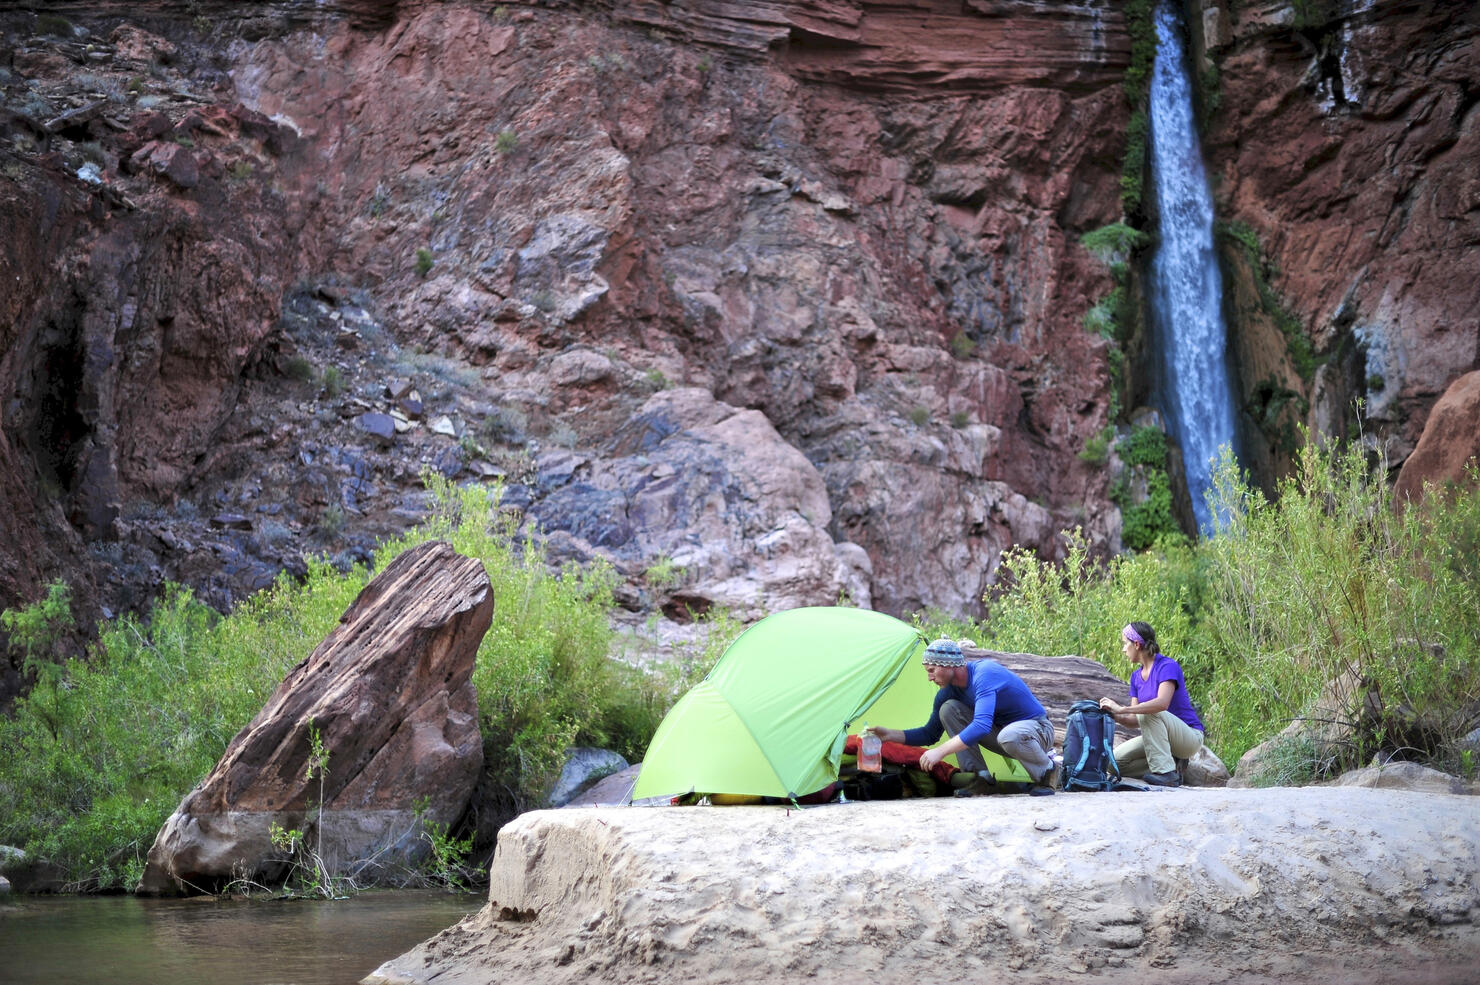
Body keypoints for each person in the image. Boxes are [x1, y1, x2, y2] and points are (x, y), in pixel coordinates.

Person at [869, 638, 1058, 796]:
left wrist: (940, 752)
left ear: (948, 665)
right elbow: (930, 734)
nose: (929, 677)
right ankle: (979, 778)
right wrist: (889, 735)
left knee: (1008, 735)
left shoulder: (984, 674)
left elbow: (982, 726)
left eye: (931, 670)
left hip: (1037, 731)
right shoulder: (948, 692)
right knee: (949, 709)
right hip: (1004, 736)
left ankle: (1047, 773)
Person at [1099, 621, 1205, 787]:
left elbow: (1161, 704)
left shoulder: (1167, 666)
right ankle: (1170, 766)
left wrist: (1123, 708)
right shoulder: (1135, 677)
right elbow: (1135, 720)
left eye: (1125, 643)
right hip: (1161, 738)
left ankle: (1166, 774)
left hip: (1189, 738)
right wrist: (1114, 715)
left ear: (1136, 644)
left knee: (1149, 710)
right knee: (1113, 763)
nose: (1123, 649)